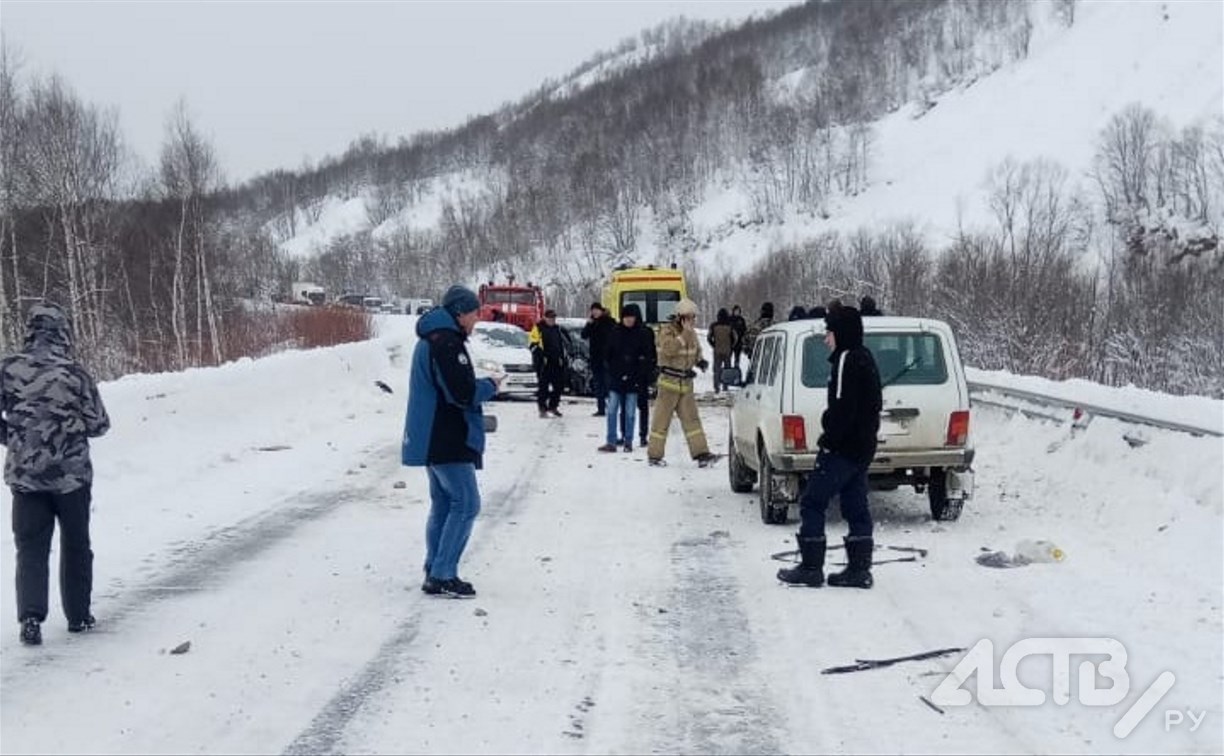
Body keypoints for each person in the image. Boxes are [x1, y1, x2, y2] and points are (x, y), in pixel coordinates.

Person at [1, 302, 110, 646]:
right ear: (63, 332)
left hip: (26, 478)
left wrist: (16, 439)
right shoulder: (74, 373)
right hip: (71, 479)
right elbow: (99, 424)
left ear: (30, 330)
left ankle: (31, 618)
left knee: (30, 548)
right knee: (76, 544)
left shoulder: (7, 369)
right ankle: (78, 617)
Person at [403, 285, 503, 599]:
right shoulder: (446, 342)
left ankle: (435, 566)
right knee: (467, 503)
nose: (477, 319)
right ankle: (443, 574)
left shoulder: (433, 338)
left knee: (444, 503)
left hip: (431, 435)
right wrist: (490, 385)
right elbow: (461, 393)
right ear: (460, 313)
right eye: (475, 313)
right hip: (446, 434)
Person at [777, 306, 882, 590]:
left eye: (829, 332)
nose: (826, 338)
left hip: (843, 450)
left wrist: (829, 439)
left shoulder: (847, 359)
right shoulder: (866, 357)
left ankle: (811, 567)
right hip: (861, 449)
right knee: (855, 506)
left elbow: (842, 409)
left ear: (841, 333)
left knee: (812, 502)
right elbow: (872, 406)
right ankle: (859, 570)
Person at [646, 299, 718, 467]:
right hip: (668, 383)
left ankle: (701, 454)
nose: (693, 321)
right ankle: (654, 456)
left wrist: (700, 361)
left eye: (694, 318)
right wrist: (684, 334)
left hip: (685, 384)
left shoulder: (691, 333)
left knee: (692, 421)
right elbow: (669, 350)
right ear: (681, 317)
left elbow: (695, 349)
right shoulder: (667, 331)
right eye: (690, 317)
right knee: (661, 421)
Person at [598, 304, 652, 453]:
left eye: (631, 317)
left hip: (634, 380)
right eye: (626, 317)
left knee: (630, 413)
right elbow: (607, 355)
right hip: (616, 379)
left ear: (636, 318)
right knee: (612, 411)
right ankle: (611, 441)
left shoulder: (642, 334)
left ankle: (628, 441)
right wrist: (613, 373)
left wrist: (640, 373)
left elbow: (647, 357)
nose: (629, 320)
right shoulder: (615, 333)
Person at [530, 309, 566, 418]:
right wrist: (541, 356)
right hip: (543, 363)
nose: (552, 320)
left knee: (559, 386)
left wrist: (562, 357)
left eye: (553, 318)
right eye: (550, 318)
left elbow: (561, 343)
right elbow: (533, 344)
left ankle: (553, 406)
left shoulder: (557, 329)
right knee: (543, 387)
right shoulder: (538, 328)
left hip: (556, 361)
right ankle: (542, 408)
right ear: (545, 318)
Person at [580, 302, 615, 417]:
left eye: (596, 310)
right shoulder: (592, 323)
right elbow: (583, 335)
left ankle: (612, 407)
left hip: (608, 358)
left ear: (601, 310)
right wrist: (589, 324)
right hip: (595, 358)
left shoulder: (609, 322)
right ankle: (601, 408)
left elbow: (614, 338)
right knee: (598, 384)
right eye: (593, 310)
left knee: (608, 383)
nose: (594, 312)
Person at [707, 308, 737, 393]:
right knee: (727, 369)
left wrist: (713, 345)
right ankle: (725, 386)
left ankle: (716, 387)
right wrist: (731, 346)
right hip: (727, 351)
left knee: (717, 369)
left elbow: (709, 338)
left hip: (717, 351)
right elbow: (735, 338)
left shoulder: (714, 326)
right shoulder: (730, 326)